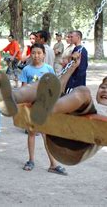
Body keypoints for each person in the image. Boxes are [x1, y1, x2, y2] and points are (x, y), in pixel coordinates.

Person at [0, 52, 107, 165]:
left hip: (77, 149)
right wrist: (72, 67)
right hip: (56, 141)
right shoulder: (85, 105)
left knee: (82, 91)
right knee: (48, 82)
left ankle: (46, 110)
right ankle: (11, 98)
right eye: (104, 87)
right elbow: (58, 90)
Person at [18, 44, 67, 175]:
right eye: (33, 53)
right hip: (31, 107)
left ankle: (53, 164)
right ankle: (31, 160)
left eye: (39, 53)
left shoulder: (49, 69)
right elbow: (23, 90)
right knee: (32, 134)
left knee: (47, 135)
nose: (36, 56)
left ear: (44, 55)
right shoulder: (26, 70)